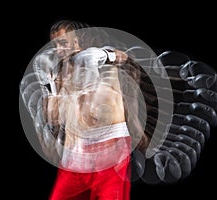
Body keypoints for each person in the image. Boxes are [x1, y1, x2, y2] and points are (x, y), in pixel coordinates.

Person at [35, 20, 147, 200]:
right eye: (55, 45)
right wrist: (50, 90)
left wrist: (105, 55)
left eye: (63, 43)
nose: (58, 50)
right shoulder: (57, 74)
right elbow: (54, 121)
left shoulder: (97, 58)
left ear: (77, 41)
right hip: (76, 155)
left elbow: (129, 63)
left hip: (110, 146)